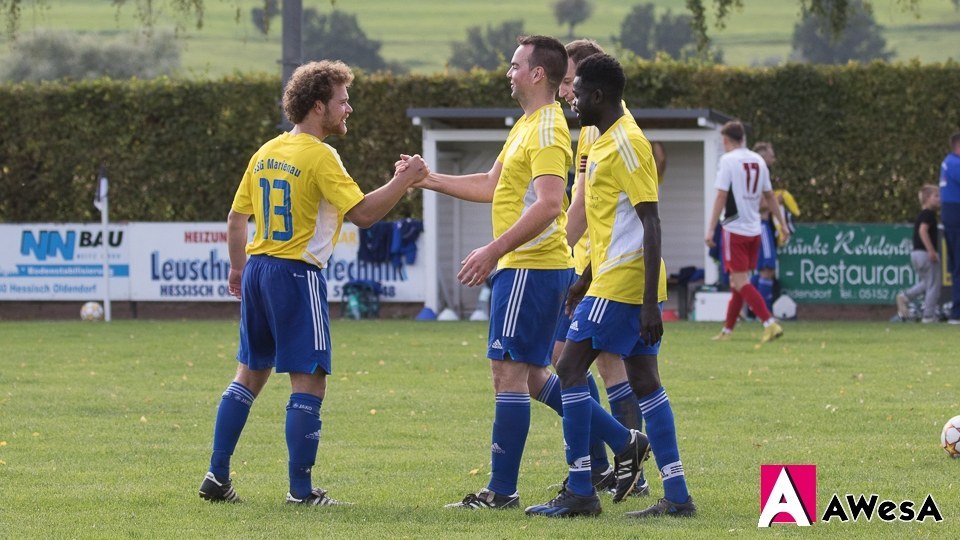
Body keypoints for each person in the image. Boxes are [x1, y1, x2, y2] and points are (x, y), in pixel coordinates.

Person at [415, 35, 644, 511]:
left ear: (539, 73)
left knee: (509, 373)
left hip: (530, 268)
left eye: (515, 65)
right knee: (537, 376)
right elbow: (491, 184)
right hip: (529, 268)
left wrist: (493, 250)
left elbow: (549, 204)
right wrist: (427, 179)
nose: (509, 72)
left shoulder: (546, 130)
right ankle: (625, 442)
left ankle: (501, 492)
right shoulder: (527, 125)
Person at [197, 60, 427, 505]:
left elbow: (235, 218)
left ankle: (216, 475)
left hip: (260, 269)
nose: (349, 109)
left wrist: (238, 268)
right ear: (318, 105)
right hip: (296, 274)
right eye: (342, 101)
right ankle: (301, 492)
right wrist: (404, 180)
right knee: (310, 380)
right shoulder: (321, 155)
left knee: (249, 373)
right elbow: (362, 214)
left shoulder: (266, 151)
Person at [525, 53, 695, 519]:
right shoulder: (599, 141)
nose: (571, 99)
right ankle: (677, 496)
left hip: (625, 283)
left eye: (577, 92)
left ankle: (582, 487)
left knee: (569, 366)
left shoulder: (629, 144)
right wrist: (582, 277)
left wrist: (648, 304)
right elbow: (607, 223)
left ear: (597, 96)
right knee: (645, 382)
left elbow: (651, 222)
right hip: (607, 277)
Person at [543, 37, 651, 498]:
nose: (565, 91)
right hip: (593, 265)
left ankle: (619, 465)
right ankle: (616, 467)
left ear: (593, 85)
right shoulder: (591, 129)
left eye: (570, 81)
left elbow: (583, 207)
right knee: (600, 366)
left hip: (599, 268)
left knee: (577, 363)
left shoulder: (611, 132)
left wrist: (557, 257)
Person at [705, 121, 790, 344]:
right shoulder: (758, 160)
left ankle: (769, 323)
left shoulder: (728, 160)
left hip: (734, 228)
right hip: (755, 230)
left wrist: (711, 228)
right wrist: (783, 224)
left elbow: (721, 196)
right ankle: (728, 331)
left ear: (726, 140)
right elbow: (770, 196)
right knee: (738, 283)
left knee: (741, 281)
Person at [896, 185, 942, 322]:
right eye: (936, 196)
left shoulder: (922, 215)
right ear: (927, 198)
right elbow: (923, 231)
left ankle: (905, 296)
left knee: (927, 282)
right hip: (925, 253)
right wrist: (931, 250)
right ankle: (928, 315)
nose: (940, 199)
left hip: (916, 254)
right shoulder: (929, 214)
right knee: (934, 284)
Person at [750, 142, 781, 313]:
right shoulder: (759, 173)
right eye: (771, 155)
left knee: (761, 269)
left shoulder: (758, 173)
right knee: (767, 269)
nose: (774, 159)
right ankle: (764, 313)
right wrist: (777, 202)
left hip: (761, 226)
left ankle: (755, 311)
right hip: (761, 225)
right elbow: (760, 204)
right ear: (763, 157)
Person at [940, 132, 960, 324]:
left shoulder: (947, 162)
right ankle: (957, 312)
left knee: (956, 267)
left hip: (950, 216)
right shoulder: (955, 164)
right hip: (956, 217)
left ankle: (956, 311)